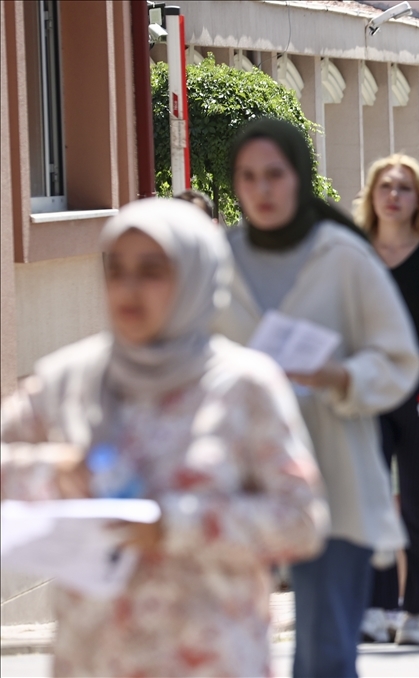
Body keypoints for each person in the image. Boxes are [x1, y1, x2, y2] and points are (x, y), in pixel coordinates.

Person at [0, 198, 329, 676]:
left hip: (212, 660)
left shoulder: (244, 387)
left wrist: (174, 525)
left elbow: (302, 520)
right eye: (117, 271)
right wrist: (54, 470)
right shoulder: (68, 381)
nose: (129, 289)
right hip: (93, 659)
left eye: (152, 271)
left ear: (195, 276)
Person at [216, 119, 419, 675]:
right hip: (235, 479)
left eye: (274, 175)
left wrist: (340, 376)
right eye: (248, 176)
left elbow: (399, 357)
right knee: (224, 652)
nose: (262, 190)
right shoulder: (216, 260)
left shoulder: (343, 256)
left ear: (299, 177)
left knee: (324, 655)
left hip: (333, 471)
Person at [354, 153, 419, 648]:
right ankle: (376, 607)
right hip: (367, 394)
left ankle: (417, 612)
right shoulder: (355, 252)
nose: (393, 195)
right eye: (385, 187)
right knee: (372, 503)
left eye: (403, 188)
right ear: (372, 197)